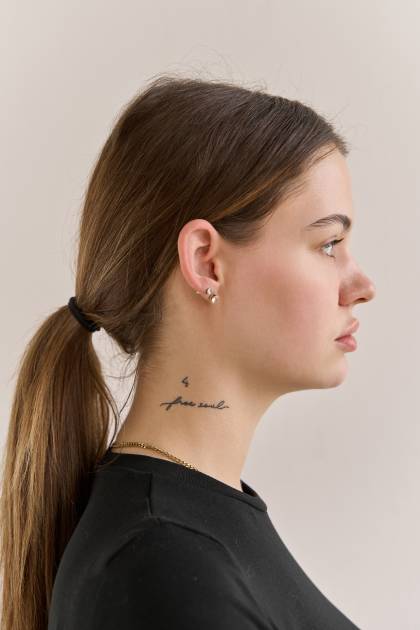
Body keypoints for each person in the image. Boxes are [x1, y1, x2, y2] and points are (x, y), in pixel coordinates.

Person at [0, 74, 375, 630]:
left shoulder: (183, 535)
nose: (362, 285)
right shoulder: (159, 567)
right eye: (328, 244)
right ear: (206, 262)